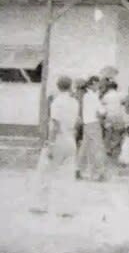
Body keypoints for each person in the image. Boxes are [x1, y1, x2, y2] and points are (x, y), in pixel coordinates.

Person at [32, 76, 80, 216]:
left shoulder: (57, 102)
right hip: (70, 138)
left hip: (58, 138)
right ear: (70, 86)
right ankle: (66, 208)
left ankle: (40, 205)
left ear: (58, 86)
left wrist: (50, 143)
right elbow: (77, 121)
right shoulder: (75, 102)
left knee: (44, 172)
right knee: (67, 175)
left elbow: (55, 125)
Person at [76, 76, 107, 181]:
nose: (99, 86)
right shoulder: (93, 96)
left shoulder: (85, 96)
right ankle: (100, 172)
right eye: (98, 84)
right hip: (94, 123)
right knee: (97, 148)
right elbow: (101, 111)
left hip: (86, 124)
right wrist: (103, 107)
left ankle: (78, 170)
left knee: (84, 148)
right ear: (93, 83)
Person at [101, 81, 125, 158]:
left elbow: (102, 105)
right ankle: (112, 146)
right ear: (116, 87)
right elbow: (123, 103)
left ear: (109, 88)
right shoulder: (120, 95)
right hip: (118, 116)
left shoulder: (106, 96)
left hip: (109, 116)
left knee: (108, 133)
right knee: (117, 133)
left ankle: (108, 149)